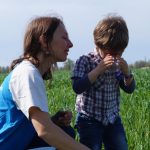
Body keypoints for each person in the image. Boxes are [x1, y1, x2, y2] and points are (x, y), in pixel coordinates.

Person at [0, 16, 90, 150]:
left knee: (66, 132)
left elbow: (27, 124)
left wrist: (52, 121)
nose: (70, 44)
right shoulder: (28, 74)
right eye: (64, 38)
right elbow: (44, 131)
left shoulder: (30, 72)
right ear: (44, 41)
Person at [71, 15, 136, 150]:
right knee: (91, 147)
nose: (114, 56)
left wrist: (127, 74)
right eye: (111, 52)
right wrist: (98, 70)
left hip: (112, 118)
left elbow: (129, 89)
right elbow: (77, 87)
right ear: (98, 44)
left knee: (120, 146)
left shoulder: (117, 64)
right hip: (89, 119)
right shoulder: (85, 60)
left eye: (119, 52)